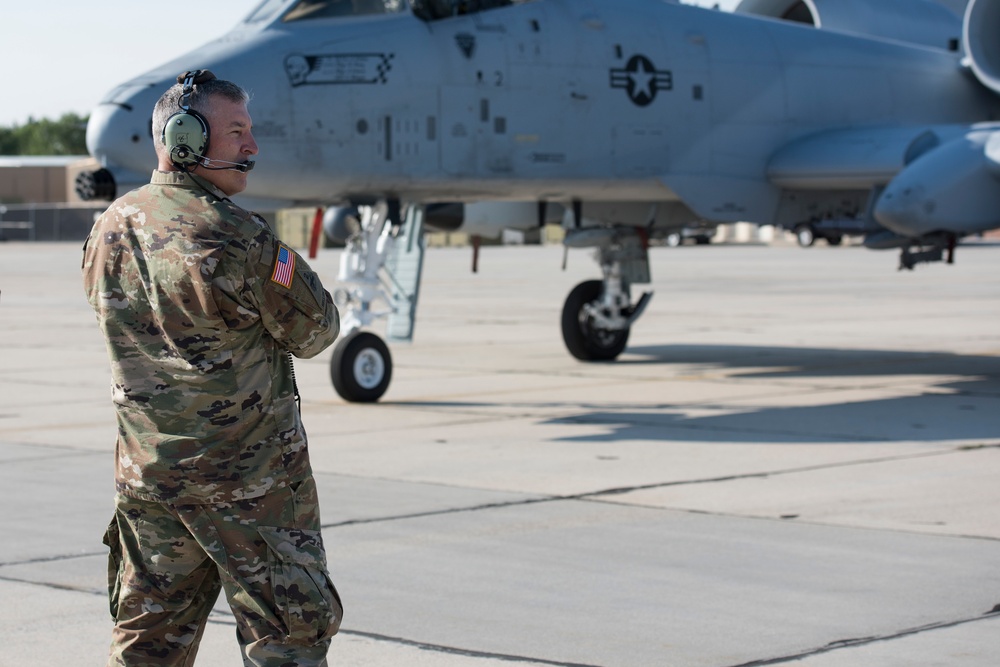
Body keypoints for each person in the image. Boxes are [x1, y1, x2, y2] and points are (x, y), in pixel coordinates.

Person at [82, 70, 343, 667]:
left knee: (147, 646)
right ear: (185, 138)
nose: (252, 147)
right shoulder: (240, 238)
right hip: (249, 489)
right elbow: (317, 333)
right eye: (236, 133)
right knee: (288, 643)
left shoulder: (108, 228)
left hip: (150, 480)